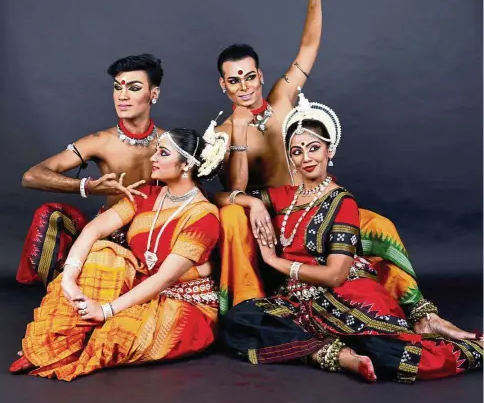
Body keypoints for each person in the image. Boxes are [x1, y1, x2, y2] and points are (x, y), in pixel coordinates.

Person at [213, 0, 476, 341]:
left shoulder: (281, 98)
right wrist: (241, 137)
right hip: (275, 218)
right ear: (222, 86)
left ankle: (421, 314)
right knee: (232, 215)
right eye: (234, 81)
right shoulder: (224, 132)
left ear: (261, 76)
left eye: (249, 77)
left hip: (317, 207)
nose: (243, 87)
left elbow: (308, 47)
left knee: (379, 225)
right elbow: (228, 192)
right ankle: (256, 316)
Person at [217, 90, 483, 383]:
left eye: (314, 148)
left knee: (387, 354)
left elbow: (335, 275)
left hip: (348, 295)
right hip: (296, 302)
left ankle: (470, 346)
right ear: (290, 158)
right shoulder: (285, 197)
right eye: (296, 151)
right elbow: (222, 196)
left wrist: (273, 261)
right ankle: (328, 353)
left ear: (329, 151)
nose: (306, 158)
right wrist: (253, 203)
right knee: (236, 322)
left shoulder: (342, 202)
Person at [9, 122, 229, 381]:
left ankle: (69, 346)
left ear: (186, 165)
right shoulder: (146, 194)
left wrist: (106, 311)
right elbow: (94, 230)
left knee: (113, 336)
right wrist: (69, 279)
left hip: (182, 303)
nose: (153, 157)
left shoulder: (203, 215)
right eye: (156, 150)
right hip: (140, 283)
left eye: (163, 153)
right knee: (103, 252)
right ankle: (48, 345)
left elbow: (165, 278)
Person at [17, 54, 165, 286]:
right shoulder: (99, 142)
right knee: (50, 216)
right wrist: (87, 186)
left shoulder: (170, 142)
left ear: (153, 94)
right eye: (117, 88)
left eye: (134, 88)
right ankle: (63, 286)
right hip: (111, 235)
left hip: (156, 235)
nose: (122, 96)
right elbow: (32, 176)